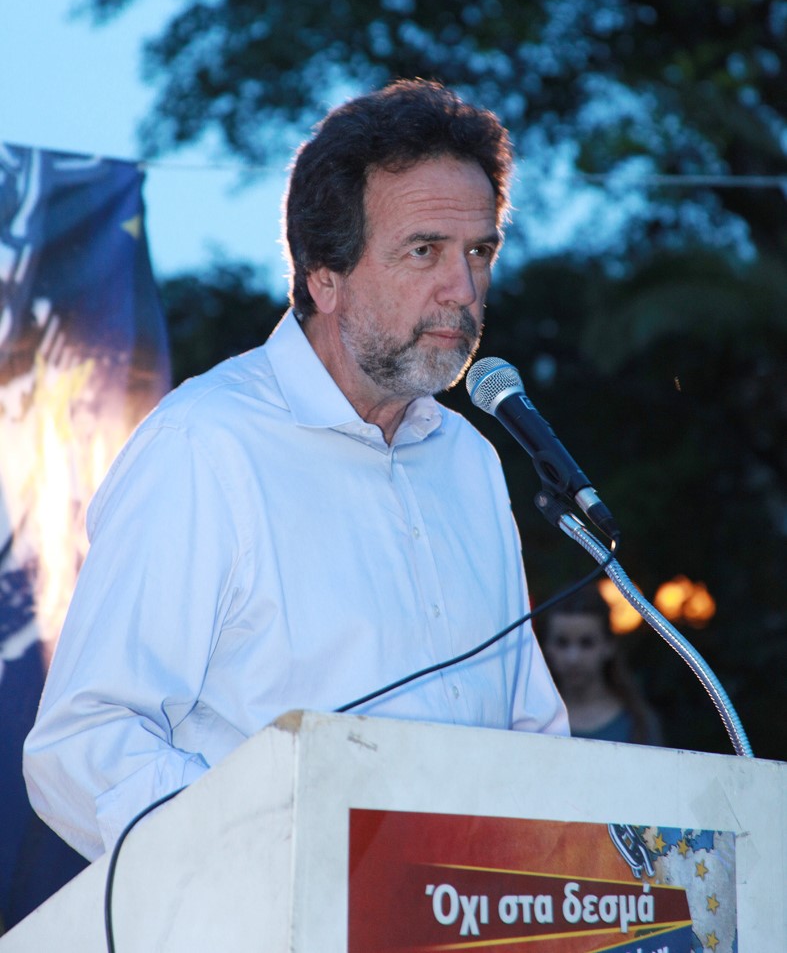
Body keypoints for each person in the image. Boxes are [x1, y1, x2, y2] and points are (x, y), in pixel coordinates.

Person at [23, 79, 569, 862]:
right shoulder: (205, 444)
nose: (462, 289)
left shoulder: (469, 459)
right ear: (324, 275)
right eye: (424, 251)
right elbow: (84, 743)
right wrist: (278, 861)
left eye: (478, 252)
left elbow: (530, 732)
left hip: (462, 910)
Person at [540, 583, 663, 746]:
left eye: (587, 643)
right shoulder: (534, 720)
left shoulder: (638, 724)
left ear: (609, 645)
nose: (573, 658)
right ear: (546, 646)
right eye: (562, 643)